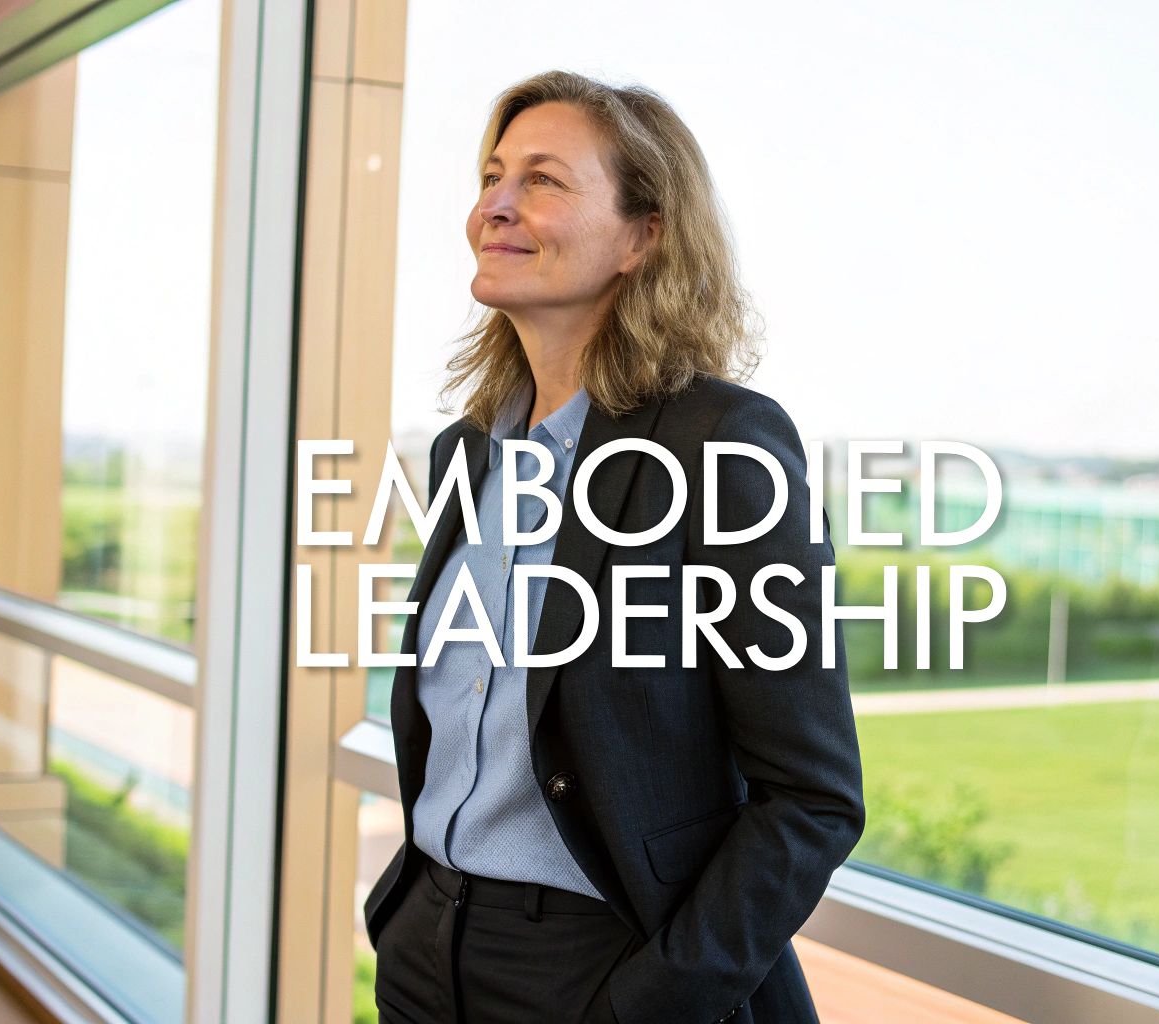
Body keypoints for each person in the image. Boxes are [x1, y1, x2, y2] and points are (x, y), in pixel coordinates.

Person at [363, 69, 864, 1024]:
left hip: (601, 972)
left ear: (644, 236)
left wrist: (647, 1006)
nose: (494, 207)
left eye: (543, 181)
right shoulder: (470, 449)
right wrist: (406, 918)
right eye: (492, 176)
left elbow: (813, 797)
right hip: (429, 951)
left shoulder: (718, 444)